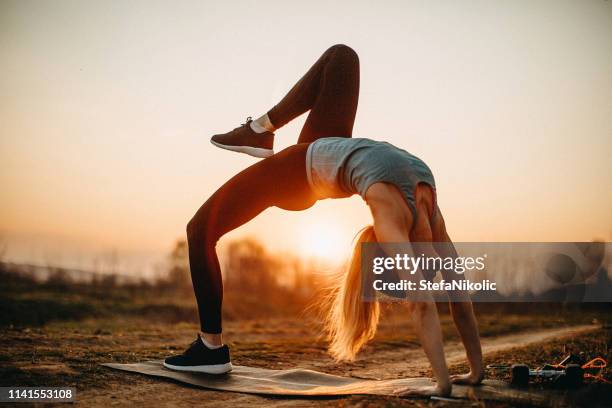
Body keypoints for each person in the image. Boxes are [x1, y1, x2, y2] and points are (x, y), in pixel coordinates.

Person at [163, 45, 483, 396]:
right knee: (343, 57)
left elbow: (423, 305)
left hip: (295, 176)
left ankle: (210, 348)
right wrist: (475, 371)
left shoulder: (391, 214)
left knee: (199, 230)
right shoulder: (431, 212)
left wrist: (441, 383)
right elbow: (460, 298)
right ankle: (260, 129)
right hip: (326, 148)